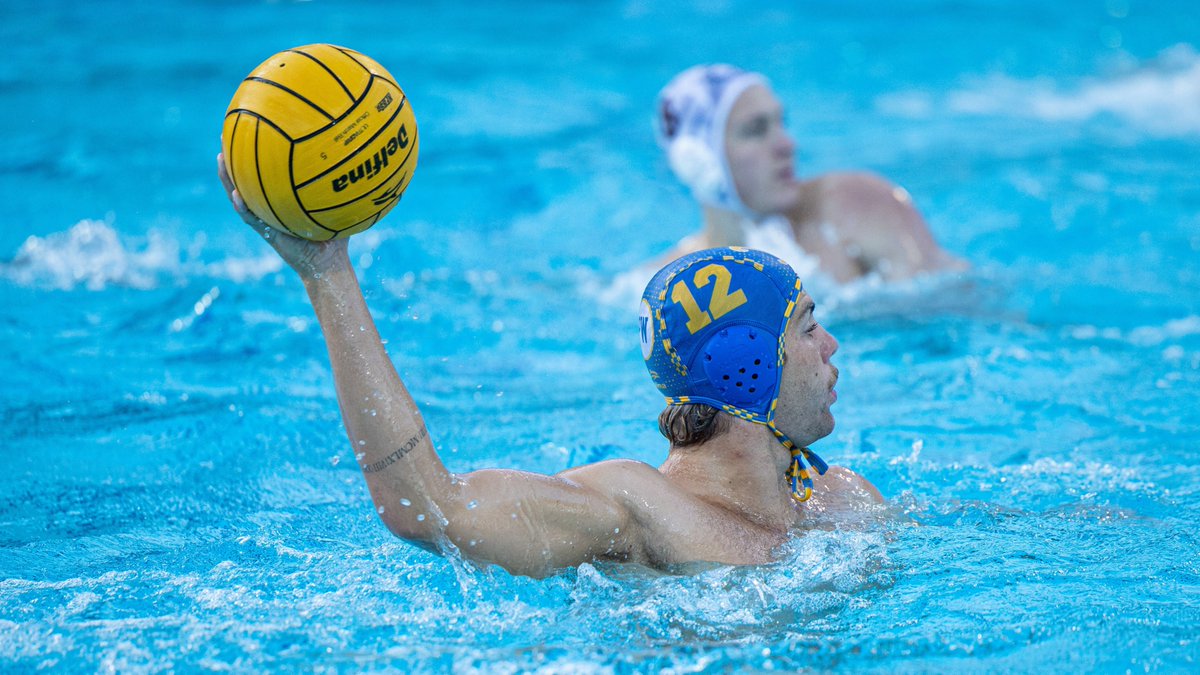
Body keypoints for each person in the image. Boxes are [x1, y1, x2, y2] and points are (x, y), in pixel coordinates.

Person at [219, 155, 881, 579]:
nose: (832, 347)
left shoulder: (842, 499)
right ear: (746, 366)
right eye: (809, 327)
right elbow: (428, 508)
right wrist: (326, 272)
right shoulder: (636, 509)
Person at [652, 64, 965, 283]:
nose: (787, 144)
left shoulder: (856, 205)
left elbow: (956, 310)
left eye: (780, 123)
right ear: (698, 161)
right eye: (756, 130)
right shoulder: (674, 283)